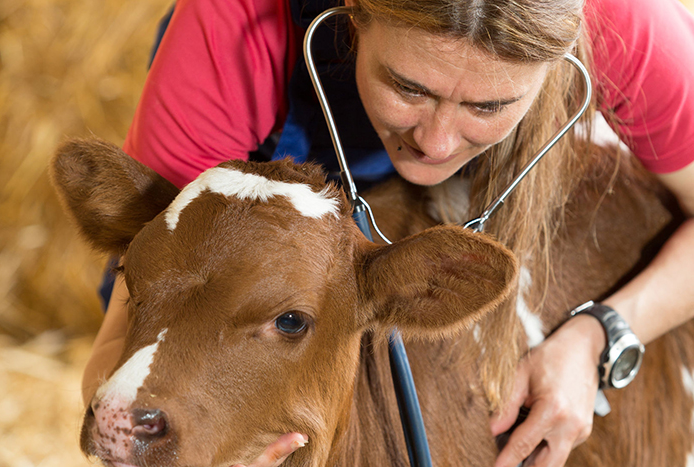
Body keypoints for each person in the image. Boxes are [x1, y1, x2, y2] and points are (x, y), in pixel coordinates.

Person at [82, 0, 694, 465]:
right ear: (350, 16)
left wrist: (601, 333)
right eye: (408, 86)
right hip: (270, 168)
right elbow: (122, 363)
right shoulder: (234, 26)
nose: (436, 141)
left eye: (488, 106)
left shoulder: (628, 30)